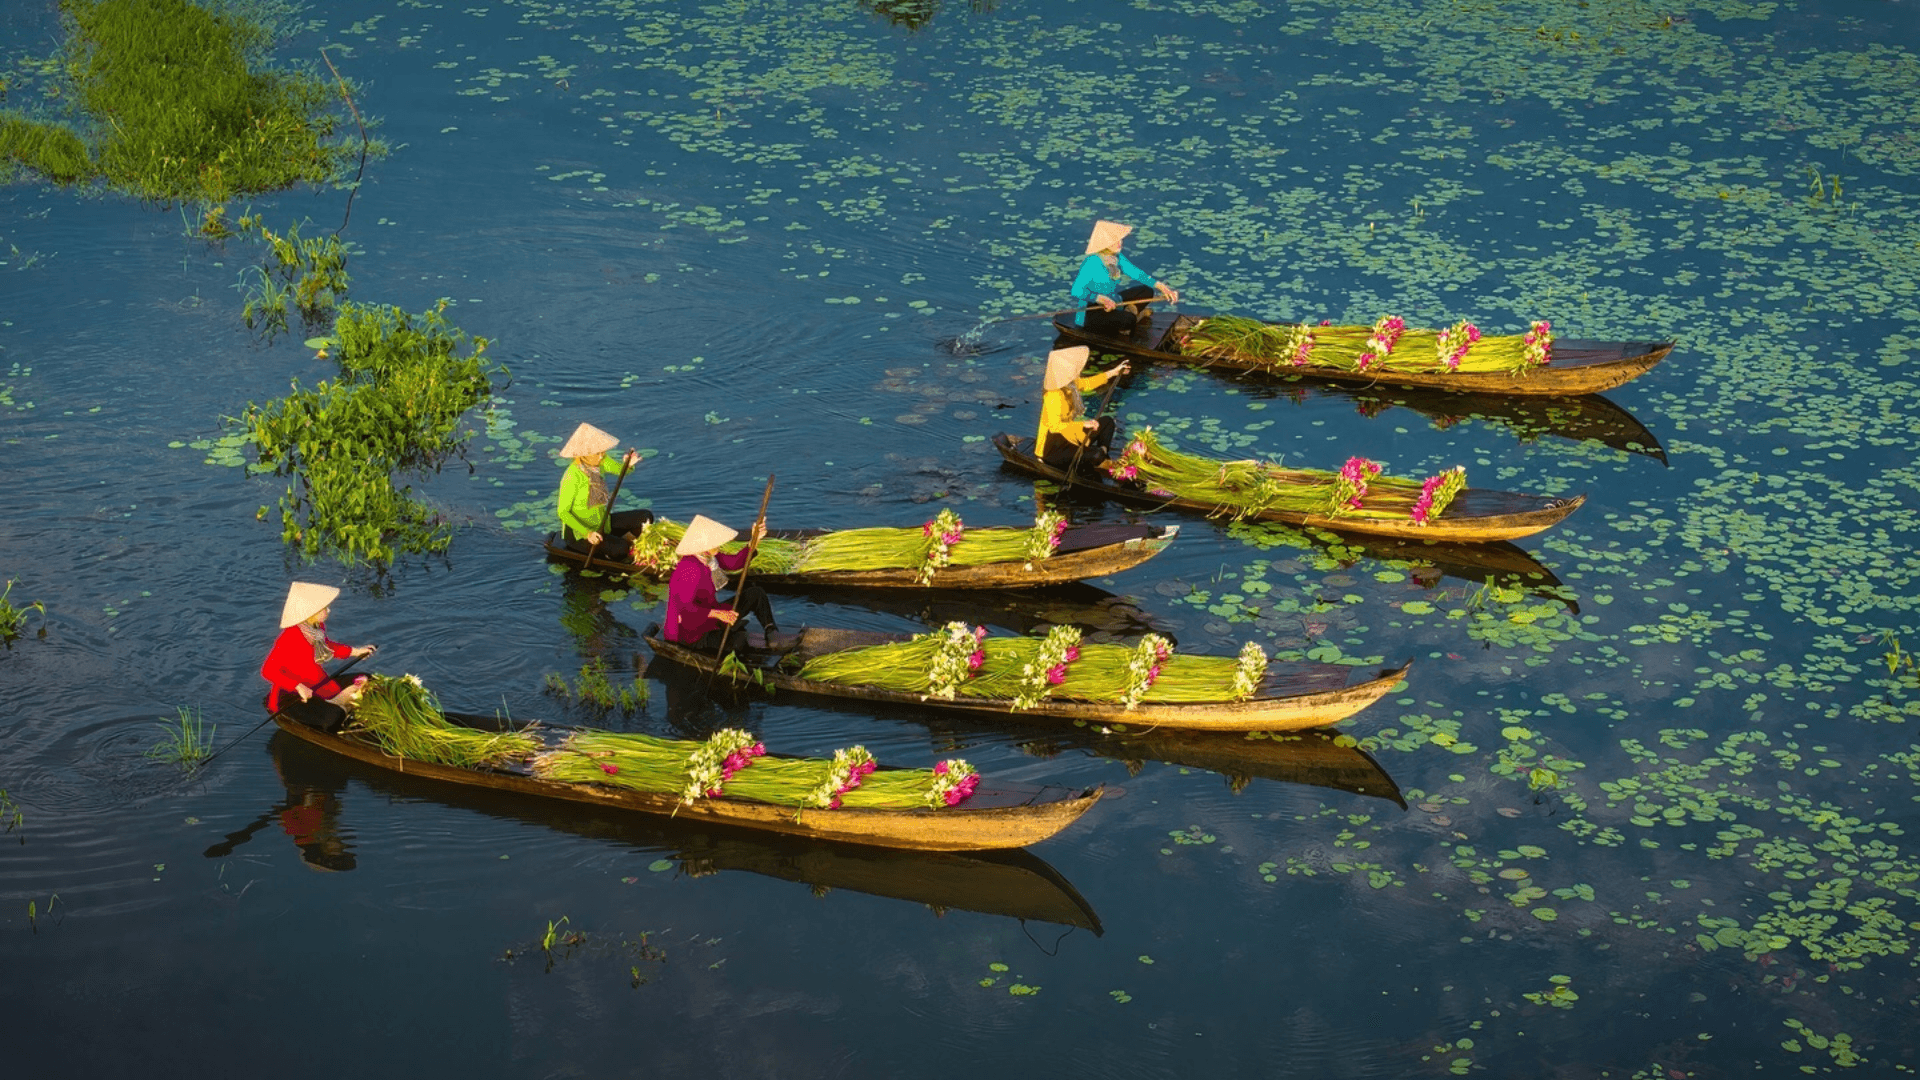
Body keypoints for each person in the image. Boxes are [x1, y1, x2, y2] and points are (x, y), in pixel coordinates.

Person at [261, 582, 376, 730]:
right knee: (333, 717)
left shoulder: (316, 628)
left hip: (317, 683)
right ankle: (339, 704)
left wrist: (356, 652)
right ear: (311, 612)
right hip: (293, 694)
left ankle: (337, 702)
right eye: (324, 608)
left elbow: (327, 646)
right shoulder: (289, 638)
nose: (329, 610)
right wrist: (298, 686)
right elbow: (268, 670)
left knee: (368, 679)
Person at [664, 514, 778, 652]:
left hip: (710, 615)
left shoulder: (709, 558)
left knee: (756, 593)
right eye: (715, 542)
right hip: (689, 631)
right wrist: (718, 614)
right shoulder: (689, 569)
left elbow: (735, 562)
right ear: (704, 545)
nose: (719, 544)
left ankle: (771, 630)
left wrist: (755, 539)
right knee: (739, 640)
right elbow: (686, 609)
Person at [556, 421, 653, 559]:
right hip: (580, 534)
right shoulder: (571, 476)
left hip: (602, 523)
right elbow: (563, 512)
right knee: (621, 549)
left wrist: (628, 465)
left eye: (603, 452)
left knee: (646, 517)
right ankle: (617, 547)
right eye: (598, 453)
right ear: (584, 454)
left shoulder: (600, 461)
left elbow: (620, 471)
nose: (602, 456)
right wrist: (587, 533)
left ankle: (619, 543)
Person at [1069, 219, 1179, 337]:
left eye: (1120, 239)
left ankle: (1127, 316)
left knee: (1147, 291)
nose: (1120, 242)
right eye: (1115, 240)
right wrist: (1099, 298)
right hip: (1092, 311)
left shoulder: (1116, 257)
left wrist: (1162, 287)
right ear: (1105, 243)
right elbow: (1076, 290)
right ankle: (1130, 319)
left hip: (1114, 302)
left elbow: (1135, 272)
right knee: (1129, 319)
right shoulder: (1092, 262)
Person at [1035, 345, 1130, 474]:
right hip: (1053, 446)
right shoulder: (1053, 396)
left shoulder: (1070, 386)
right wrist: (1083, 424)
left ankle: (1102, 453)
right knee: (1096, 455)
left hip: (1070, 435)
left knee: (1107, 422)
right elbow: (1054, 427)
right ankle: (1098, 456)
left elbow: (1088, 383)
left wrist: (1114, 372)